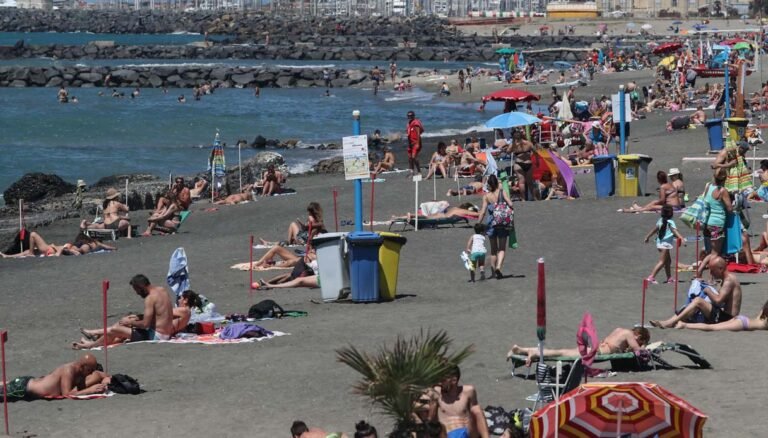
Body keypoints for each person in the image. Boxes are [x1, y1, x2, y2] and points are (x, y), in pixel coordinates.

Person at [72, 274, 175, 349]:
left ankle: (90, 345)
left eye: (136, 290)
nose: (137, 293)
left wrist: (130, 322)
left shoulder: (150, 298)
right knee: (130, 319)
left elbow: (145, 324)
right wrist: (135, 318)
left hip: (156, 336)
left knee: (116, 329)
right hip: (165, 332)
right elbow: (160, 314)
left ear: (141, 287)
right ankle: (95, 333)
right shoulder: (162, 290)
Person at [650, 256, 742, 328]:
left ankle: (671, 322)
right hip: (722, 314)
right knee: (692, 303)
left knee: (698, 301)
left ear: (720, 269)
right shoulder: (725, 279)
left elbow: (718, 300)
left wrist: (708, 290)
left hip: (727, 319)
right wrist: (704, 285)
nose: (711, 273)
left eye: (713, 271)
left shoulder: (729, 280)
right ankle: (670, 321)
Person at [508, 327, 651, 366]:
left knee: (560, 351)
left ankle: (521, 349)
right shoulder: (629, 334)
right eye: (640, 340)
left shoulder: (619, 329)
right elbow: (638, 351)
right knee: (560, 354)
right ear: (638, 336)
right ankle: (534, 354)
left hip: (594, 348)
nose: (637, 342)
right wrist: (644, 346)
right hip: (596, 352)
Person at [0, 354, 110, 401]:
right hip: (24, 387)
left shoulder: (81, 374)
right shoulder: (68, 370)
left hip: (29, 383)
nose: (91, 373)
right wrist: (90, 390)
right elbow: (67, 394)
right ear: (82, 366)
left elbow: (81, 391)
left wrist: (96, 390)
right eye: (90, 370)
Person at [425, 365, 489, 438]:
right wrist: (433, 402)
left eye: (443, 380)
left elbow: (476, 416)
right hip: (448, 433)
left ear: (454, 380)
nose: (440, 383)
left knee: (477, 409)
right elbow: (430, 420)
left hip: (469, 432)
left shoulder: (468, 391)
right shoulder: (437, 392)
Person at [477, 175, 514, 280]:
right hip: (502, 222)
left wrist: (478, 223)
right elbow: (511, 204)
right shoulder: (502, 192)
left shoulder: (486, 196)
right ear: (497, 183)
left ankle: (493, 273)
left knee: (493, 250)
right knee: (502, 248)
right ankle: (498, 268)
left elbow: (483, 212)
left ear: (489, 184)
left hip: (491, 224)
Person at [643, 205, 686, 284]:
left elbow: (654, 229)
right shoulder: (671, 222)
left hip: (659, 243)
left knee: (668, 261)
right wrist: (682, 238)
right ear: (671, 214)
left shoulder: (660, 220)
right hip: (665, 245)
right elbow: (674, 231)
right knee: (662, 261)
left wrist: (647, 237)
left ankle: (669, 278)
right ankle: (651, 277)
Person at [675, 299, 768, 332]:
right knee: (712, 328)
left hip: (743, 319)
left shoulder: (763, 314)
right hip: (743, 324)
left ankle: (683, 324)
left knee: (712, 326)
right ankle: (684, 325)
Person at [260, 202, 325, 246]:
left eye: (309, 212)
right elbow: (310, 227)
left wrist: (306, 225)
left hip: (304, 238)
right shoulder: (317, 219)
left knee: (292, 224)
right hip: (305, 236)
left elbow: (316, 226)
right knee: (293, 229)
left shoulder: (312, 218)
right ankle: (270, 243)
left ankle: (287, 242)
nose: (308, 213)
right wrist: (304, 225)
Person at [619, 171, 683, 212]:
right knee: (654, 202)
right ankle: (640, 208)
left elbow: (662, 200)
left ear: (658, 179)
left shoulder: (663, 187)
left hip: (672, 208)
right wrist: (655, 202)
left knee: (652, 206)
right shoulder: (669, 184)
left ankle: (635, 210)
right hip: (677, 206)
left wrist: (655, 203)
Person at [702, 169, 732, 257]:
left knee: (709, 251)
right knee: (715, 253)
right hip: (717, 225)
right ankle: (703, 266)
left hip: (706, 222)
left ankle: (703, 264)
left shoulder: (708, 186)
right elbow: (730, 209)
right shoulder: (722, 191)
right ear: (725, 178)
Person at [0, 230, 75, 258]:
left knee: (33, 234)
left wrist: (54, 246)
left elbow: (57, 255)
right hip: (48, 249)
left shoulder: (63, 248)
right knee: (26, 252)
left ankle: (31, 253)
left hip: (48, 249)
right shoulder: (67, 248)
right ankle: (7, 256)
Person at [406, 111, 424, 177]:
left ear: (414, 116)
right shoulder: (408, 124)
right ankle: (411, 172)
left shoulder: (416, 123)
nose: (409, 117)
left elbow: (418, 133)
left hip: (416, 142)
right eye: (408, 116)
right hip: (410, 143)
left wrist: (418, 143)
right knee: (410, 158)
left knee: (414, 157)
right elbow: (408, 134)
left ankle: (419, 171)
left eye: (411, 115)